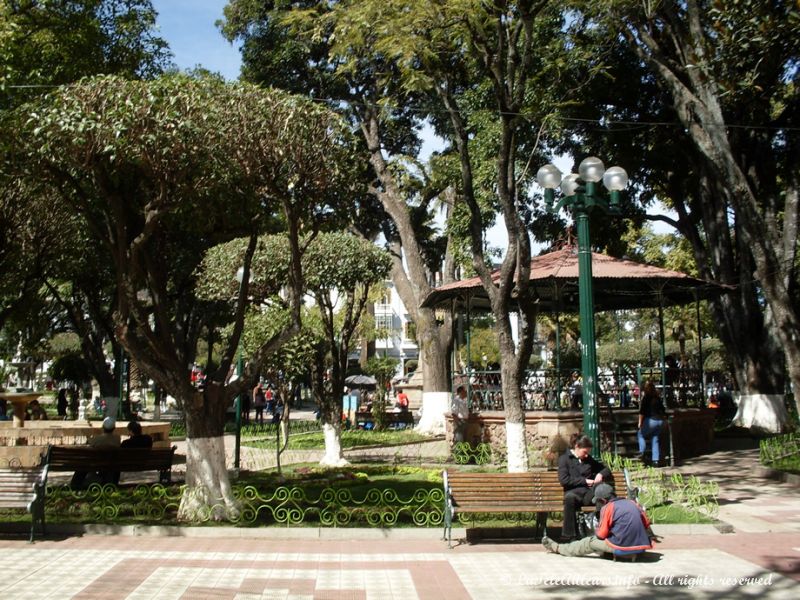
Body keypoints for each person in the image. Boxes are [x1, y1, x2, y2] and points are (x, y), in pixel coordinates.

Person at [542, 482, 653, 558]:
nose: (597, 504)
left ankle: (559, 548)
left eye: (598, 501)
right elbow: (647, 524)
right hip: (642, 547)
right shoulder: (633, 503)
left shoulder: (608, 507)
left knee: (589, 542)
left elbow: (601, 535)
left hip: (622, 548)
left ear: (603, 500)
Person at [557, 433, 611, 542]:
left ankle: (603, 531)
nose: (586, 455)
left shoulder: (588, 460)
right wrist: (585, 481)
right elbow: (564, 480)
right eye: (585, 452)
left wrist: (600, 475)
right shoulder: (564, 459)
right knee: (569, 498)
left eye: (588, 453)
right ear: (577, 446)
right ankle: (568, 536)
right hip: (573, 494)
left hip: (588, 494)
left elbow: (606, 469)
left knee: (601, 491)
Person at [71, 417, 121, 487]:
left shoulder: (97, 439)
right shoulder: (117, 439)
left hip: (95, 463)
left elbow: (90, 442)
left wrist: (89, 436)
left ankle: (76, 484)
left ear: (103, 427)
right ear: (114, 428)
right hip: (111, 463)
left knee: (83, 465)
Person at [637, 380, 667, 466]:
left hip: (651, 420)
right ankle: (655, 460)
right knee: (655, 438)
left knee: (640, 434)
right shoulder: (657, 398)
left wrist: (640, 423)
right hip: (660, 421)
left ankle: (641, 452)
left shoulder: (646, 398)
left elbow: (642, 412)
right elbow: (663, 410)